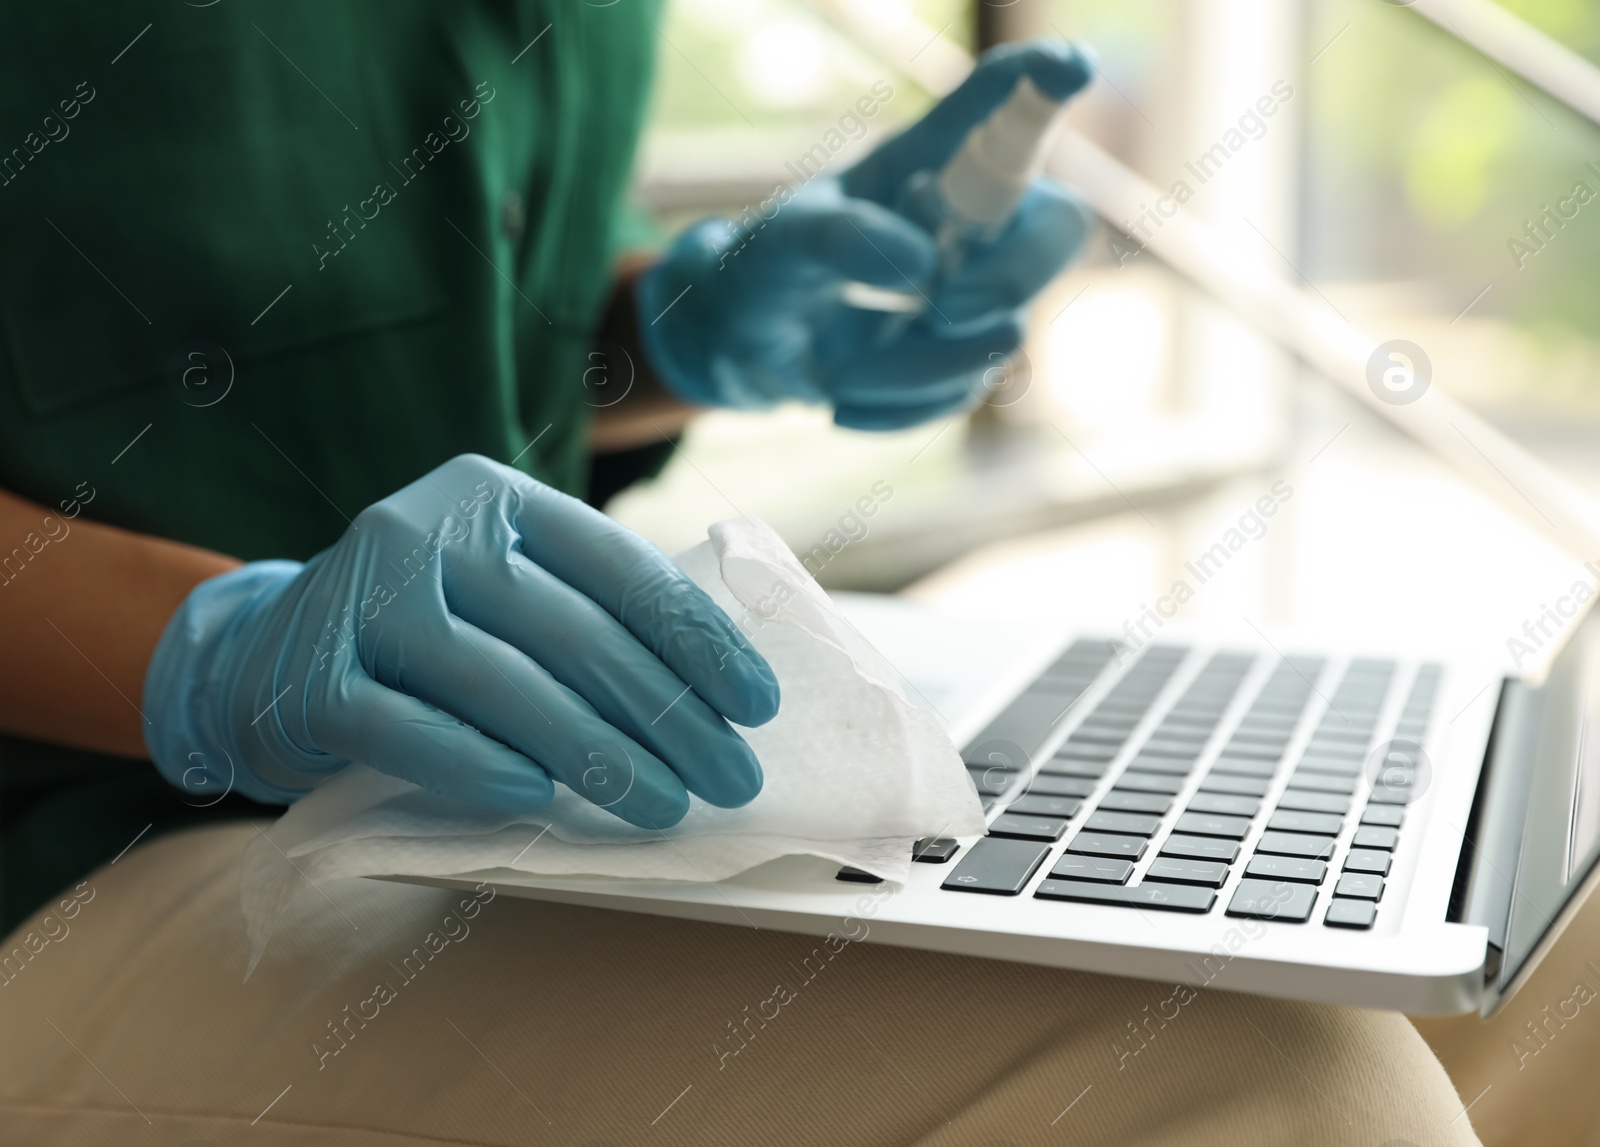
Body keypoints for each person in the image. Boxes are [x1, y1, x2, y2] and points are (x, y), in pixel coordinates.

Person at [0, 6, 1578, 1144]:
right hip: (72, 850)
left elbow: (435, 326)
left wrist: (676, 330)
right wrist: (207, 650)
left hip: (485, 787)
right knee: (1269, 1090)